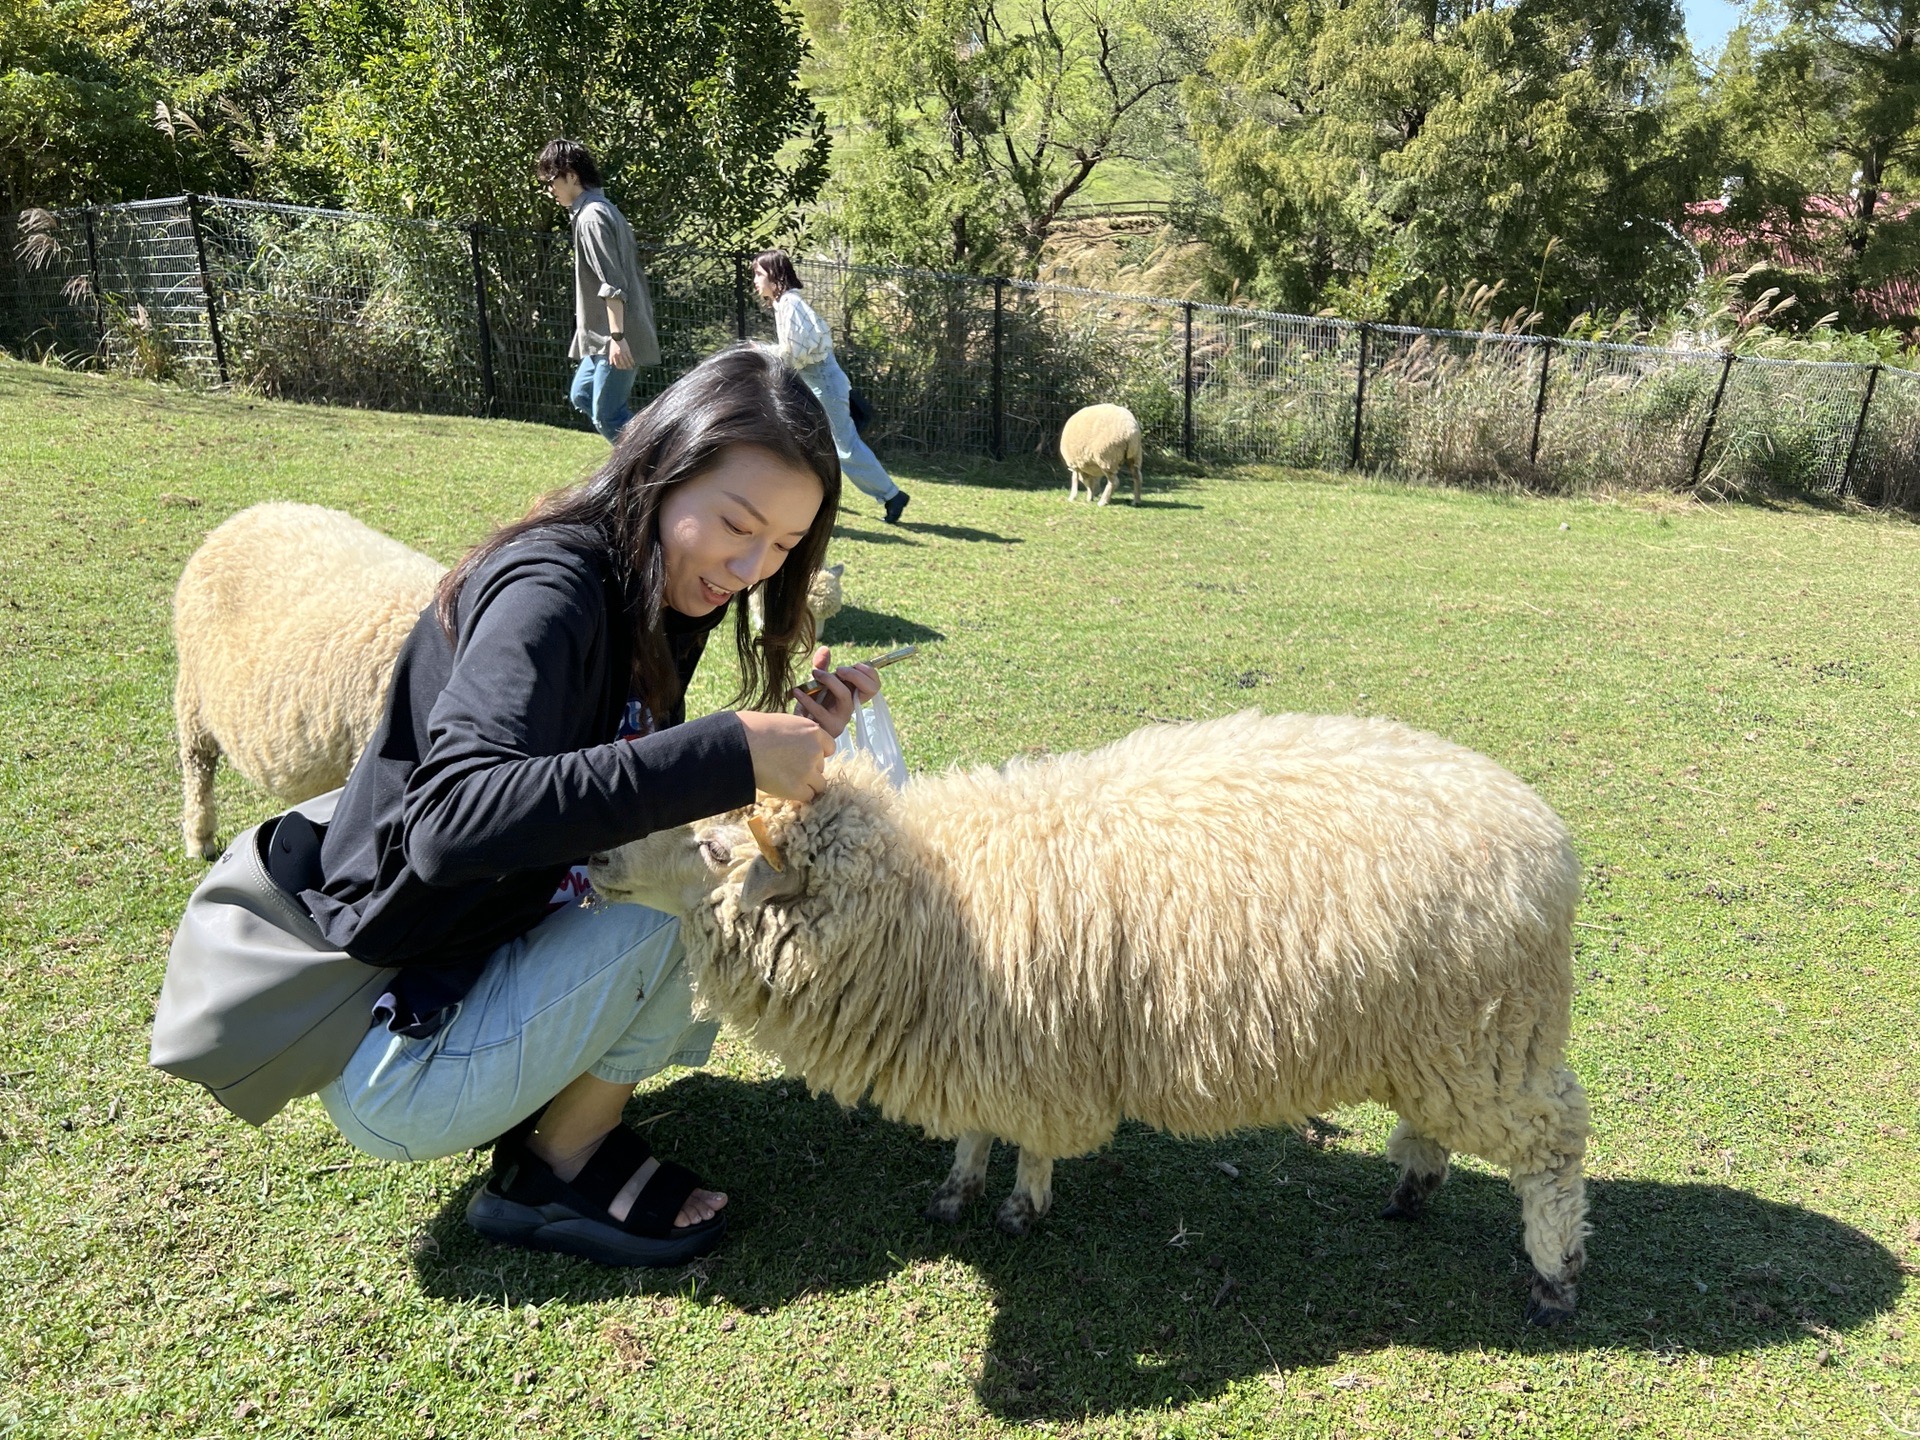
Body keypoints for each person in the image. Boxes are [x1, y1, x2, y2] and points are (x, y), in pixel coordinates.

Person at [302, 345, 880, 1267]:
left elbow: (610, 782)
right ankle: (550, 1171)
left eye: (781, 546)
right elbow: (452, 822)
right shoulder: (553, 587)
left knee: (689, 870)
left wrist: (785, 737)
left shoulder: (660, 594)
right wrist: (726, 753)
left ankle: (560, 1122)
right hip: (393, 1047)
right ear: (661, 463)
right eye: (736, 523)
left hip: (478, 966)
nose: (749, 565)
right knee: (694, 905)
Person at [752, 250, 911, 524]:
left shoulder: (790, 304)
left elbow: (795, 354)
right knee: (805, 439)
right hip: (814, 380)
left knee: (844, 447)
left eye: (759, 274)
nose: (755, 280)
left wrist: (763, 352)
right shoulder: (784, 304)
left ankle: (891, 495)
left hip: (823, 382)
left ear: (774, 276)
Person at [538, 138, 659, 443]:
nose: (548, 189)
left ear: (571, 176)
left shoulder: (591, 217)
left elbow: (612, 284)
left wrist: (617, 339)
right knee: (582, 394)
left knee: (607, 415)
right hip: (603, 335)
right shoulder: (600, 210)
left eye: (551, 181)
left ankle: (656, 470)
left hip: (616, 335)